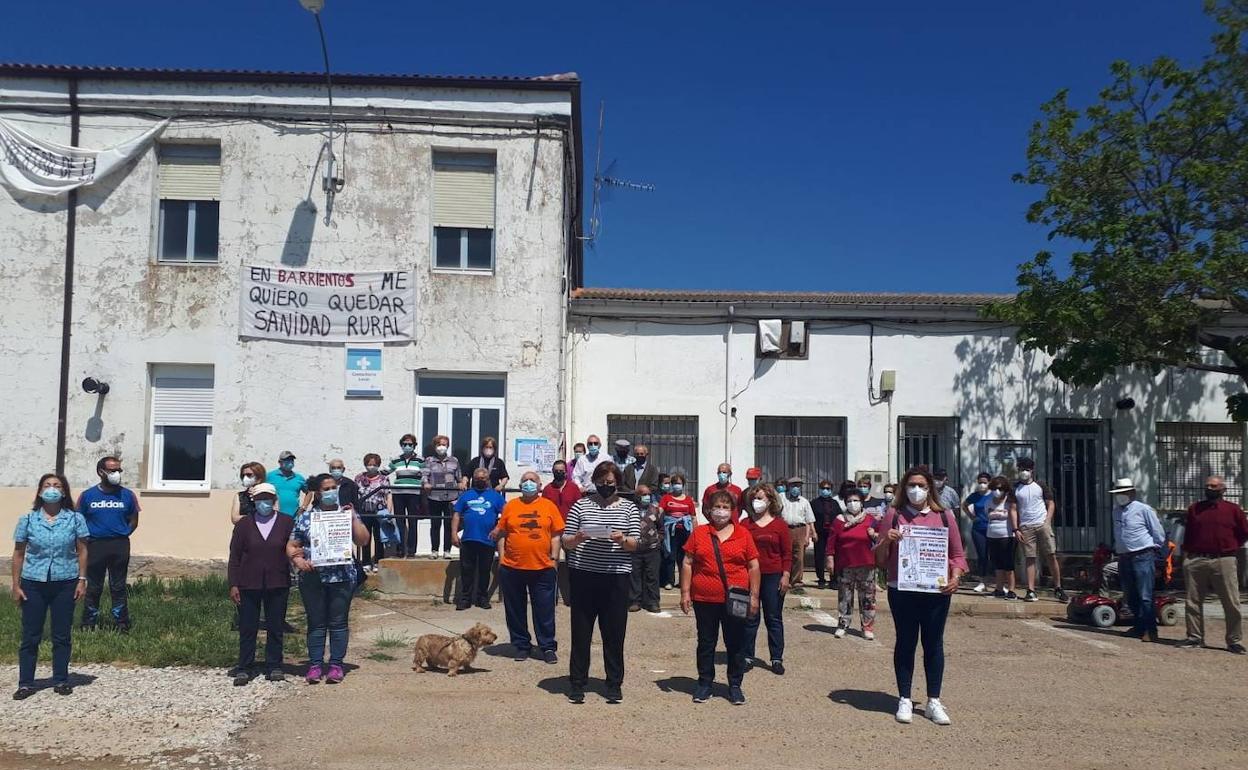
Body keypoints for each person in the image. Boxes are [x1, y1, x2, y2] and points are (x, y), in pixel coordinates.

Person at [875, 467, 968, 726]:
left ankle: (933, 701)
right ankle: (904, 697)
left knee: (933, 643)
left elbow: (957, 555)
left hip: (935, 591)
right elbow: (880, 559)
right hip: (902, 588)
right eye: (912, 485)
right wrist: (887, 541)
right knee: (905, 641)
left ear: (930, 489)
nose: (917, 490)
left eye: (922, 485)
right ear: (904, 488)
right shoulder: (893, 515)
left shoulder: (945, 516)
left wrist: (955, 577)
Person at [561, 462, 640, 704]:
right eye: (601, 482)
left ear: (617, 483)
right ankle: (577, 683)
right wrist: (577, 537)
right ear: (594, 481)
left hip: (616, 577)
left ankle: (614, 684)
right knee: (581, 633)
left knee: (614, 634)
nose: (605, 486)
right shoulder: (581, 505)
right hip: (584, 574)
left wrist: (621, 539)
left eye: (610, 483)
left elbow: (635, 543)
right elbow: (565, 541)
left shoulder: (629, 508)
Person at [287, 474, 371, 684]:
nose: (331, 492)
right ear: (317, 492)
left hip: (342, 577)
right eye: (327, 488)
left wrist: (352, 518)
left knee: (338, 622)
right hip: (313, 577)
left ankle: (336, 665)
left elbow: (363, 540)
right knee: (316, 623)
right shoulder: (306, 517)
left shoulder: (345, 514)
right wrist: (298, 561)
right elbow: (292, 545)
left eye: (334, 487)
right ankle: (315, 665)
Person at [681, 490, 761, 705]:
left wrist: (754, 596)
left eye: (726, 507)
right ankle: (705, 683)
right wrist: (685, 592)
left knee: (735, 642)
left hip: (736, 598)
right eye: (717, 507)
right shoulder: (699, 533)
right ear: (709, 510)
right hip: (704, 598)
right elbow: (687, 562)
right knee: (706, 642)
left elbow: (753, 566)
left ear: (733, 511)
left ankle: (734, 685)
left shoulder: (743, 534)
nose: (721, 511)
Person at [12, 473, 88, 700]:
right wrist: (15, 585)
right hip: (33, 583)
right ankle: (26, 683)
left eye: (57, 485)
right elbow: (18, 553)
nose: (52, 489)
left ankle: (61, 680)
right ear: (39, 491)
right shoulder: (27, 519)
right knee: (31, 634)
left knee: (61, 634)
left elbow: (83, 550)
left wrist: (82, 580)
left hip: (65, 582)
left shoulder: (75, 519)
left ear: (64, 492)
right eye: (47, 485)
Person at [227, 483, 295, 686]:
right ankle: (245, 667)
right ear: (253, 502)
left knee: (276, 626)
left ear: (274, 501)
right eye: (260, 500)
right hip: (248, 583)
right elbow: (235, 556)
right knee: (248, 626)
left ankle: (274, 665)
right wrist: (233, 584)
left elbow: (295, 548)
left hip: (278, 582)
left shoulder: (286, 522)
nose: (264, 503)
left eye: (268, 499)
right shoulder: (244, 525)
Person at [493, 471, 564, 663]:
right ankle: (521, 645)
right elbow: (502, 533)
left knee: (544, 609)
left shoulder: (549, 506)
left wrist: (554, 559)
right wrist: (501, 559)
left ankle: (547, 647)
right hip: (512, 567)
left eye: (533, 480)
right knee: (515, 609)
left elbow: (556, 535)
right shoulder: (511, 506)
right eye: (525, 480)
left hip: (542, 567)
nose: (529, 483)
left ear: (540, 486)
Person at [1179, 476, 1247, 653]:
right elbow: (1189, 535)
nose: (1210, 489)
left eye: (1214, 486)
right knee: (1192, 601)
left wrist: (1229, 547)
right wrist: (1186, 558)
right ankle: (1194, 637)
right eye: (1207, 486)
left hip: (1224, 560)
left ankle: (1234, 640)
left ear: (1223, 489)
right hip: (1196, 560)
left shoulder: (1233, 510)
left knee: (1231, 602)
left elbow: (1243, 533)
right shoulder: (1195, 509)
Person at [78, 456, 141, 632]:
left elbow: (134, 520)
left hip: (119, 545)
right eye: (112, 470)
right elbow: (79, 520)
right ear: (101, 472)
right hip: (95, 546)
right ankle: (88, 623)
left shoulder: (128, 495)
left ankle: (122, 623)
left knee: (118, 586)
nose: (117, 474)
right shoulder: (87, 496)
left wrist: (123, 533)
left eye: (119, 470)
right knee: (94, 586)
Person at [1110, 478, 1166, 643]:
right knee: (1130, 595)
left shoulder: (1144, 510)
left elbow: (1158, 533)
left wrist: (1152, 549)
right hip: (1124, 557)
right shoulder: (1116, 511)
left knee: (1145, 595)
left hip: (1142, 556)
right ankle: (1139, 626)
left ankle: (1151, 630)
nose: (1121, 496)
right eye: (1119, 493)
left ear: (1132, 493)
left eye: (1124, 493)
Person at [741, 483, 790, 673]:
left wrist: (785, 575)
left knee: (773, 617)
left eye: (760, 498)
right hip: (750, 575)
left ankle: (776, 658)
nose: (757, 502)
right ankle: (747, 656)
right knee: (750, 617)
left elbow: (787, 553)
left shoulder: (780, 525)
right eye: (754, 498)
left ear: (770, 500)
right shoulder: (745, 524)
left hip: (773, 575)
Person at [1011, 457, 1067, 602]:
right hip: (1025, 526)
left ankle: (1058, 587)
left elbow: (1051, 503)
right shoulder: (1015, 488)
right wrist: (1016, 529)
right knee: (1030, 558)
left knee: (1051, 555)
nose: (1024, 472)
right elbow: (1013, 509)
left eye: (1027, 469)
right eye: (1021, 468)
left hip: (1042, 523)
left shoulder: (1041, 485)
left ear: (1032, 470)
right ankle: (1031, 590)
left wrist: (1047, 521)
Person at [827, 489, 879, 640]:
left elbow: (881, 538)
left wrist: (874, 535)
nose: (852, 504)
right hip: (845, 564)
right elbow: (831, 541)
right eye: (849, 501)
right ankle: (843, 624)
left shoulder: (870, 519)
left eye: (856, 500)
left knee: (868, 597)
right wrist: (830, 558)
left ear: (862, 502)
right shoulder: (839, 520)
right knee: (845, 596)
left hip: (866, 564)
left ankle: (867, 626)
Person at [451, 468, 505, 610]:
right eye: (478, 478)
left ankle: (482, 598)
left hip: (487, 540)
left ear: (488, 479)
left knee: (484, 571)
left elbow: (506, 516)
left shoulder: (496, 496)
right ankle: (465, 599)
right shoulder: (466, 495)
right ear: (473, 479)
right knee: (466, 570)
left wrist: (497, 529)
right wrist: (453, 533)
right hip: (468, 539)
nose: (480, 480)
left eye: (483, 477)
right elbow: (456, 515)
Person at [422, 435, 461, 560]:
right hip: (434, 497)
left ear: (448, 446)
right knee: (435, 524)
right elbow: (424, 475)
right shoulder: (429, 460)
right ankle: (434, 550)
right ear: (435, 446)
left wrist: (461, 484)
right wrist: (425, 483)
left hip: (451, 496)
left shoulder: (454, 460)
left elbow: (459, 477)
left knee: (449, 524)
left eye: (444, 444)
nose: (441, 447)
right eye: (439, 444)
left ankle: (447, 550)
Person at [659, 473, 698, 589]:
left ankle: (683, 581)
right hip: (671, 531)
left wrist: (696, 533)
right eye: (675, 483)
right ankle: (669, 581)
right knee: (670, 556)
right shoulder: (666, 498)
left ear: (683, 485)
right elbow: (660, 511)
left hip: (685, 532)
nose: (677, 485)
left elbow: (693, 517)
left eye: (679, 483)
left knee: (683, 557)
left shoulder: (688, 500)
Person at [353, 454, 390, 572]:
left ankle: (378, 561)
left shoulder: (384, 479)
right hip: (364, 511)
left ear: (378, 465)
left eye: (374, 464)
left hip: (379, 511)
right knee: (365, 537)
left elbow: (388, 495)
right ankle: (366, 562)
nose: (371, 467)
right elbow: (355, 495)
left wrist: (388, 512)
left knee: (379, 537)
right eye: (369, 464)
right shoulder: (359, 478)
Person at [628, 484, 663, 613]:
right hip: (634, 549)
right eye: (643, 495)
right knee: (634, 576)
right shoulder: (630, 510)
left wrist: (658, 539)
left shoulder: (655, 510)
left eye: (648, 494)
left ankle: (652, 602)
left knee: (652, 576)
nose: (647, 497)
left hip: (652, 549)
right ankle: (634, 601)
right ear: (637, 496)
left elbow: (661, 528)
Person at [389, 435, 424, 558]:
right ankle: (400, 549)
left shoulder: (420, 460)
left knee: (412, 521)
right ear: (401, 445)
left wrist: (425, 483)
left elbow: (426, 474)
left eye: (410, 444)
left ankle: (411, 550)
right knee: (399, 522)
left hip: (414, 493)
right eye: (404, 444)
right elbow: (385, 472)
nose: (407, 446)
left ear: (414, 445)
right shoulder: (396, 460)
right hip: (398, 493)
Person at [984, 476, 1019, 599]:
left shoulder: (1009, 501)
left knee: (1008, 564)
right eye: (994, 488)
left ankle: (1011, 590)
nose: (997, 491)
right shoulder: (988, 501)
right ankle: (999, 589)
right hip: (992, 535)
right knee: (997, 564)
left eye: (999, 488)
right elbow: (987, 514)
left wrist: (1016, 530)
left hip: (1007, 535)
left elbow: (1013, 515)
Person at [780, 477, 815, 588]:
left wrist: (808, 536)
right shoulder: (782, 498)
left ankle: (796, 581)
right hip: (785, 528)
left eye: (798, 486)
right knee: (785, 554)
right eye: (793, 486)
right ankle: (785, 579)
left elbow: (809, 520)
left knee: (799, 556)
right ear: (788, 487)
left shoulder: (804, 502)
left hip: (800, 529)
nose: (795, 488)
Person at [962, 472, 994, 593]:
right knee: (982, 555)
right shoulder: (975, 496)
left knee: (995, 556)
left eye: (984, 482)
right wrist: (972, 517)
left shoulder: (993, 495)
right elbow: (964, 505)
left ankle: (998, 582)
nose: (982, 485)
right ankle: (983, 581)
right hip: (978, 529)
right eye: (980, 482)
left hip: (993, 529)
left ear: (989, 483)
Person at [811, 481, 838, 589]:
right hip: (819, 533)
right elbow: (810, 519)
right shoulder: (814, 503)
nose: (825, 490)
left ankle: (833, 579)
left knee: (833, 556)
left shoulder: (835, 503)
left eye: (827, 488)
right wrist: (813, 532)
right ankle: (821, 579)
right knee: (819, 557)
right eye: (823, 488)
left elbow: (839, 517)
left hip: (832, 534)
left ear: (831, 490)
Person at [265, 451, 305, 520]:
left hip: (293, 517)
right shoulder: (269, 476)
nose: (290, 462)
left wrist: (304, 507)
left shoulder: (299, 478)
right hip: (273, 517)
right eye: (287, 460)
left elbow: (309, 492)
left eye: (291, 460)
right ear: (279, 462)